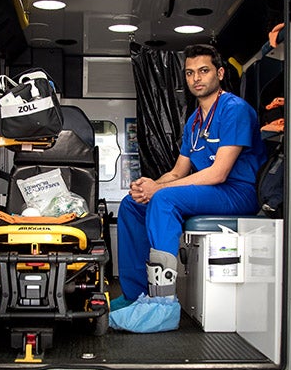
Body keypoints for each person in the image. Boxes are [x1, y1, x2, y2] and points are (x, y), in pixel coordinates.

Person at [110, 43, 266, 330]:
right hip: (210, 191)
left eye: (204, 71)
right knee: (133, 204)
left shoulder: (235, 110)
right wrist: (150, 185)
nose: (197, 78)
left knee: (164, 200)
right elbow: (177, 171)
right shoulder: (194, 122)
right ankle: (135, 296)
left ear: (219, 73)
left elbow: (218, 173)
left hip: (238, 192)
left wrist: (160, 192)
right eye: (190, 73)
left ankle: (163, 305)